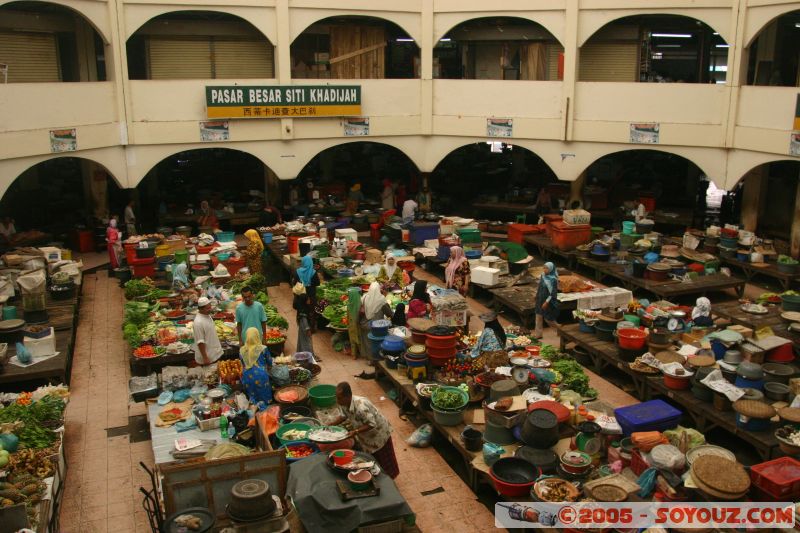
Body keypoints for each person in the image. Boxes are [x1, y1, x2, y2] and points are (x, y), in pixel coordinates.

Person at [332, 382, 399, 479]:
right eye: (337, 397)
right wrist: (331, 425)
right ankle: (379, 476)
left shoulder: (361, 406)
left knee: (384, 458)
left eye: (339, 398)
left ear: (348, 396)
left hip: (379, 434)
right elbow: (343, 415)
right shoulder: (344, 404)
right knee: (373, 458)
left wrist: (355, 432)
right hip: (367, 436)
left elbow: (371, 424)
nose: (337, 401)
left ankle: (390, 479)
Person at [239, 327, 273, 408]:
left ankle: (254, 409)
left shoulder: (241, 350)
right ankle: (265, 410)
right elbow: (270, 362)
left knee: (253, 397)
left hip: (247, 377)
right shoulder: (263, 349)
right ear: (258, 336)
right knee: (264, 397)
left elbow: (243, 365)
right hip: (261, 376)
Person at [193, 297, 224, 366]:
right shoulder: (198, 322)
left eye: (210, 307)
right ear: (201, 309)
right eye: (207, 308)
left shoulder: (207, 315)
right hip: (208, 357)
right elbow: (200, 342)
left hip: (214, 353)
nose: (210, 309)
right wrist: (205, 358)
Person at [293, 255, 321, 332]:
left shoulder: (297, 271)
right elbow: (318, 283)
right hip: (311, 296)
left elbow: (294, 283)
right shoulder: (313, 272)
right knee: (311, 312)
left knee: (301, 311)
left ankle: (302, 325)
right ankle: (311, 328)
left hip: (301, 296)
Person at [534, 262, 559, 339]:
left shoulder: (553, 280)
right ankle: (538, 335)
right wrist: (536, 295)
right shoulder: (543, 276)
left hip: (548, 301)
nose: (544, 270)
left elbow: (553, 293)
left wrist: (546, 302)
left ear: (551, 269)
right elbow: (540, 286)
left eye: (547, 268)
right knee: (538, 317)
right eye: (544, 268)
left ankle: (560, 331)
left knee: (548, 319)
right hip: (540, 299)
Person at [292, 283, 315, 355]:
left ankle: (301, 353)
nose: (309, 301)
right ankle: (309, 355)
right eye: (308, 300)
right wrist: (308, 329)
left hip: (301, 323)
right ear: (305, 301)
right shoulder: (304, 310)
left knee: (301, 338)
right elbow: (304, 319)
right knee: (307, 340)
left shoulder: (300, 305)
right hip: (304, 325)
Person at [346, 286, 362, 358]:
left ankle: (354, 355)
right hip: (359, 324)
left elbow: (348, 316)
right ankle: (361, 353)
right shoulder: (360, 304)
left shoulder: (349, 305)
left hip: (351, 325)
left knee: (352, 339)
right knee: (359, 338)